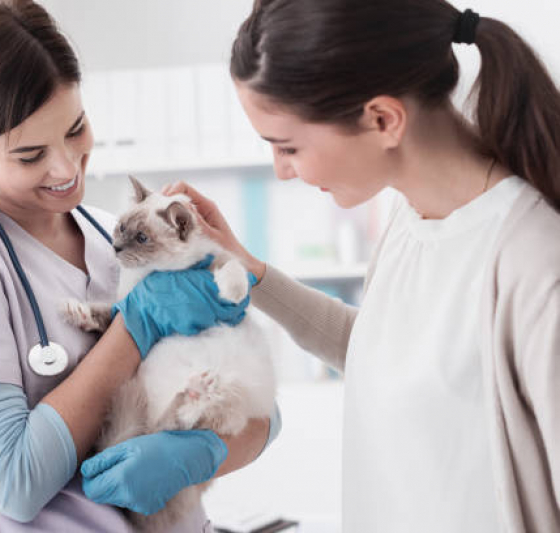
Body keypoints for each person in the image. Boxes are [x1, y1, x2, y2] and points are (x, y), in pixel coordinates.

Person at [0, 1, 281, 531]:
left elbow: (265, 414)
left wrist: (203, 453)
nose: (65, 167)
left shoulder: (117, 236)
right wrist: (135, 325)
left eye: (76, 128)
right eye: (31, 154)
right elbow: (13, 481)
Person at [159, 1, 560, 531]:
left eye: (289, 146)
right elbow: (381, 352)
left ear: (382, 119)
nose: (283, 171)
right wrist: (241, 266)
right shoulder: (410, 218)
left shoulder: (534, 262)